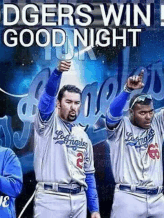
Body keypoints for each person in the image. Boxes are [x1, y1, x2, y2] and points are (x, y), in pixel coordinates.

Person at [105, 70, 164, 218]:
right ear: (131, 113)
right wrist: (127, 90)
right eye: (142, 113)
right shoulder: (121, 126)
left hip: (157, 197)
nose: (148, 117)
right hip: (128, 196)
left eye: (150, 112)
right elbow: (112, 113)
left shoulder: (157, 122)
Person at [33, 61, 101, 218]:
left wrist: (94, 208)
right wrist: (57, 74)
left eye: (77, 103)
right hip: (51, 198)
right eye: (68, 102)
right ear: (58, 104)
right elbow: (48, 97)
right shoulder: (47, 123)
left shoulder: (83, 136)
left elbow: (89, 175)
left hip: (79, 200)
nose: (73, 107)